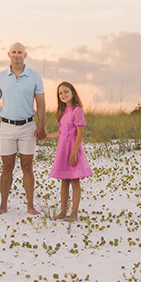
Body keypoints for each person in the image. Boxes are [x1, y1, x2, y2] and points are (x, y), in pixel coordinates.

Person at [0, 42, 46, 215]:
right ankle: (3, 205)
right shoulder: (1, 76)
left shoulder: (34, 76)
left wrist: (42, 125)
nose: (17, 55)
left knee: (27, 167)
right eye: (14, 52)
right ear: (9, 55)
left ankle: (30, 206)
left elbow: (41, 103)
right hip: (7, 127)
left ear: (25, 55)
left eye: (20, 52)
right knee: (7, 167)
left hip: (27, 126)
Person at [43, 82, 93, 222]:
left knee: (74, 181)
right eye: (60, 93)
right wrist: (44, 135)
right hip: (63, 150)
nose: (63, 95)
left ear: (72, 92)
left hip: (73, 150)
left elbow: (80, 134)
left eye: (66, 91)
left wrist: (74, 153)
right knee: (64, 181)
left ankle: (74, 213)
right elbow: (59, 133)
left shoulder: (77, 111)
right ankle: (63, 211)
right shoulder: (63, 112)